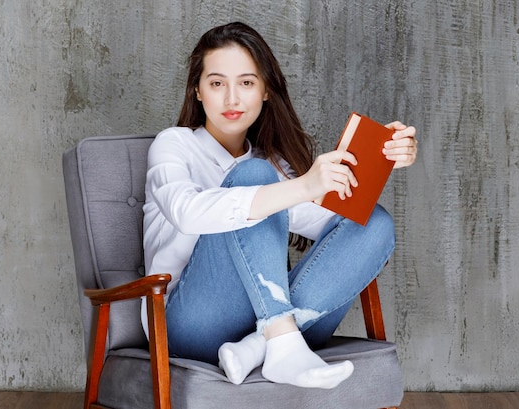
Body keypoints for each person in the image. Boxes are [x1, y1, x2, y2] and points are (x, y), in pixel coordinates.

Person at [142, 21, 417, 389]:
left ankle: (262, 346)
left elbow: (333, 223)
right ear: (198, 91)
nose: (232, 99)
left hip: (261, 320)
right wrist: (302, 186)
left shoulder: (273, 164)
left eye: (247, 83)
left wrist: (383, 159)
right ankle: (280, 338)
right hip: (188, 324)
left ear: (266, 91)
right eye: (217, 83)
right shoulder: (174, 145)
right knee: (253, 177)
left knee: (375, 223)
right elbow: (186, 212)